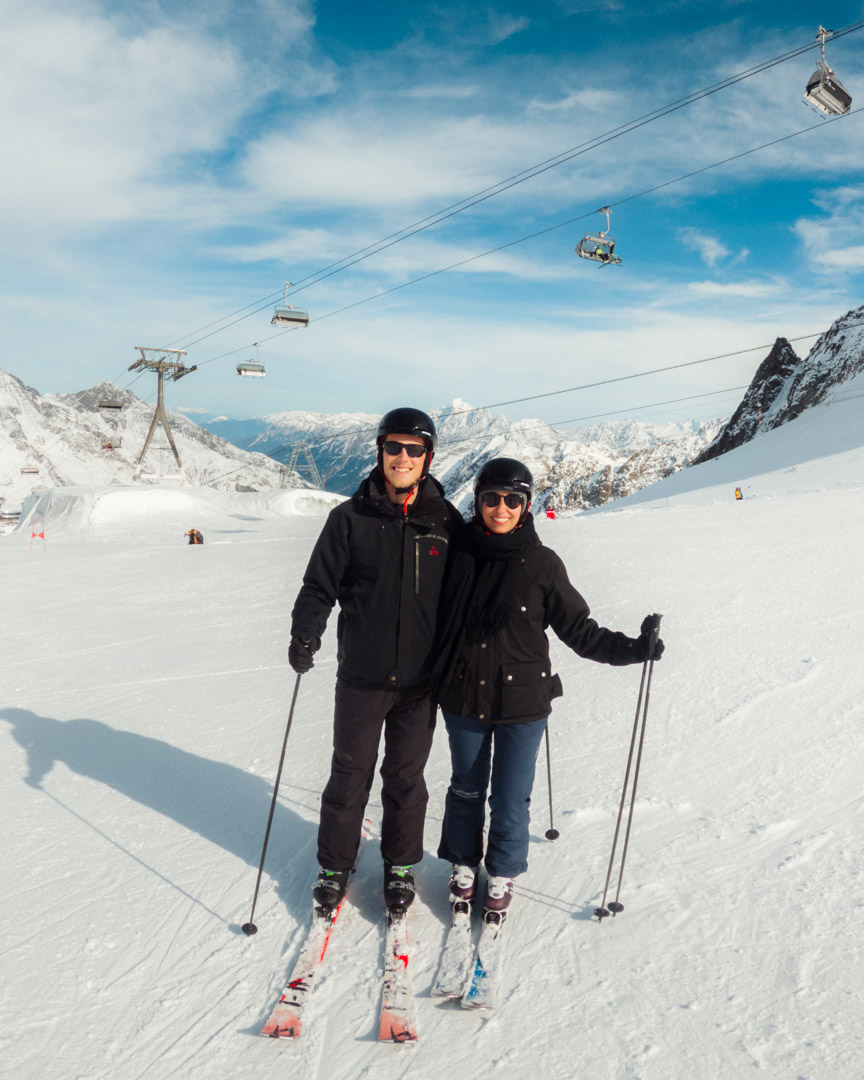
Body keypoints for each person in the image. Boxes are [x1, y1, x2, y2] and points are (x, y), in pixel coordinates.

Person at [431, 457, 664, 920]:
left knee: (511, 796)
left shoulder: (542, 564)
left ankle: (502, 871)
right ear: (477, 501)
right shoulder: (456, 554)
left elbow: (580, 631)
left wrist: (635, 649)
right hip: (463, 696)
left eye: (512, 499)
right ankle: (463, 864)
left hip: (523, 703)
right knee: (466, 788)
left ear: (526, 505)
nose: (501, 508)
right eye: (492, 498)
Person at [289, 407, 462, 914]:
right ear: (381, 451)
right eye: (394, 447)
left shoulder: (445, 523)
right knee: (350, 772)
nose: (402, 457)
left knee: (406, 778)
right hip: (363, 677)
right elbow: (319, 586)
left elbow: (465, 595)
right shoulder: (348, 520)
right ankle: (335, 863)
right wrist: (306, 632)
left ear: (428, 457)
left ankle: (401, 865)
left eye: (413, 449)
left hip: (421, 682)